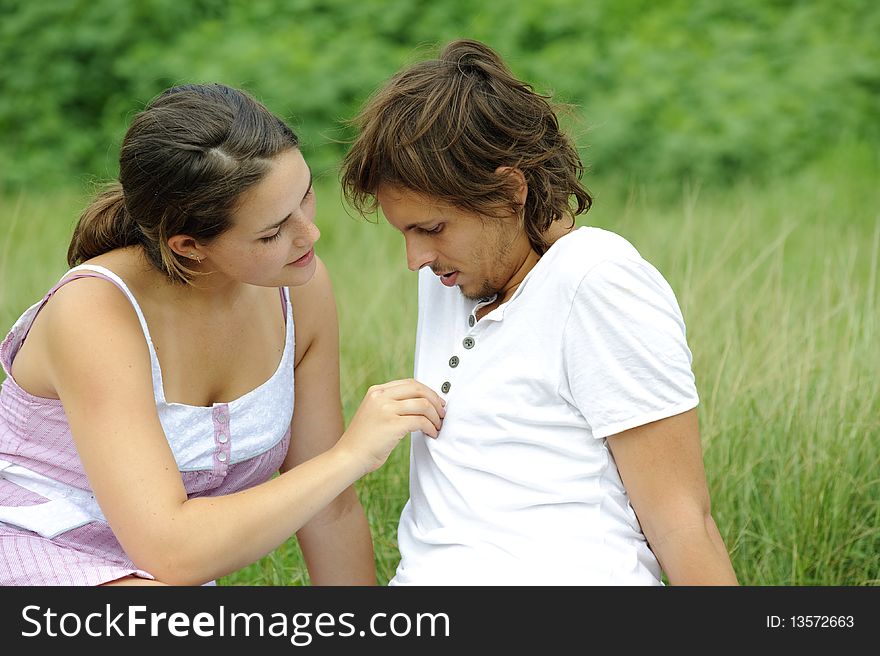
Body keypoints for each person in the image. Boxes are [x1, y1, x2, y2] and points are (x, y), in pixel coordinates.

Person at [0, 83, 445, 586]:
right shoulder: (95, 312)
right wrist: (350, 456)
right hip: (36, 546)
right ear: (189, 245)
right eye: (272, 232)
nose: (309, 235)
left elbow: (329, 510)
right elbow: (172, 552)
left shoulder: (298, 289)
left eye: (305, 197)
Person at [341, 39, 738, 585]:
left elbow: (681, 521)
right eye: (405, 233)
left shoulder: (597, 282)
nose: (415, 260)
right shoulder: (454, 274)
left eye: (430, 229)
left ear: (509, 191)